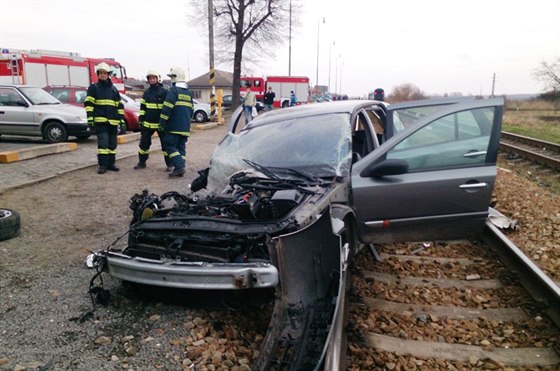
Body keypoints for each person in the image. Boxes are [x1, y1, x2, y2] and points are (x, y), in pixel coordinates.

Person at [85, 62, 124, 174]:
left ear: (108, 74)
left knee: (112, 144)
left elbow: (119, 105)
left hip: (113, 121)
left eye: (104, 73)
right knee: (103, 144)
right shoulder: (94, 88)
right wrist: (90, 118)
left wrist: (121, 118)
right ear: (98, 74)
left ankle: (111, 164)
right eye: (100, 73)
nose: (102, 75)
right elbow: (89, 104)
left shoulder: (113, 89)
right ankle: (102, 165)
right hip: (100, 121)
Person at [159, 67, 193, 178]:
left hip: (174, 126)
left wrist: (162, 123)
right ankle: (180, 168)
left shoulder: (173, 91)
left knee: (170, 145)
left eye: (171, 77)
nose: (170, 80)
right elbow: (191, 110)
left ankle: (179, 167)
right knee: (180, 148)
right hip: (185, 127)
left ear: (175, 78)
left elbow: (167, 108)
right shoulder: (188, 92)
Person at [134, 70, 170, 170]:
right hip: (147, 124)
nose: (152, 80)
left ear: (158, 79)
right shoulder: (146, 93)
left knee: (166, 145)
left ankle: (169, 165)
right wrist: (141, 120)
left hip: (161, 124)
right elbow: (143, 108)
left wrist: (166, 121)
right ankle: (142, 163)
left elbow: (167, 108)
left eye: (154, 78)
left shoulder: (164, 92)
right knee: (143, 145)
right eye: (150, 78)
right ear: (148, 80)